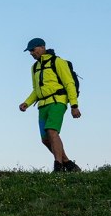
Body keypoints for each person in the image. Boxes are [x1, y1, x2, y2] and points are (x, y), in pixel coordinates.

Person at [19, 37, 82, 172]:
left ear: (42, 47)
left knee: (52, 131)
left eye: (33, 50)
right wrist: (27, 103)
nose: (31, 53)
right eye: (30, 51)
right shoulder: (34, 68)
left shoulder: (57, 61)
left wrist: (74, 106)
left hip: (58, 101)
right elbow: (36, 90)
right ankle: (68, 163)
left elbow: (69, 83)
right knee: (45, 139)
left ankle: (58, 166)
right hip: (42, 105)